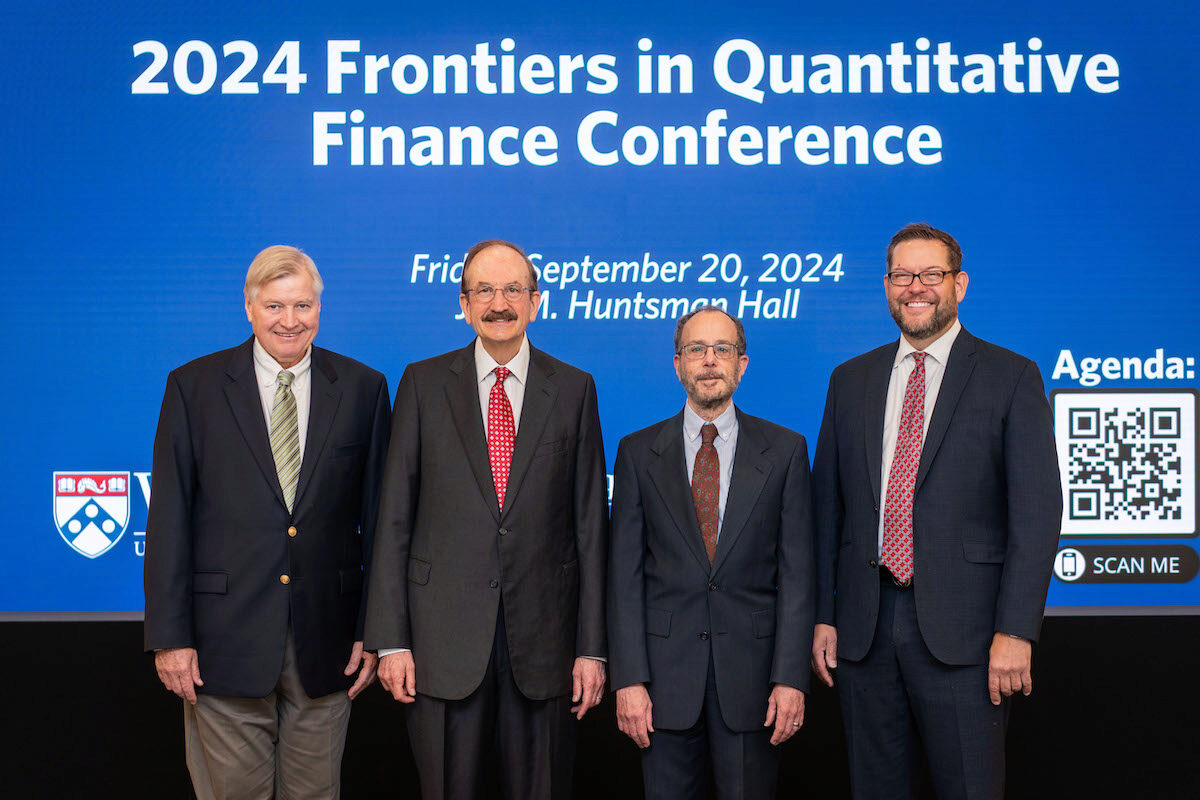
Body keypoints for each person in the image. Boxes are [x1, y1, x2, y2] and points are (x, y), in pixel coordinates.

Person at [811, 223, 1062, 799]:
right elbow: (827, 508)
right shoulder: (850, 380)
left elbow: (1036, 512)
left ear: (960, 284)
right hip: (863, 633)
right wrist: (823, 615)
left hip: (968, 639)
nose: (915, 287)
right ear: (886, 286)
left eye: (932, 274)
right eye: (903, 275)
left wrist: (1015, 631)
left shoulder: (1010, 376)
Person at [144, 245, 391, 799]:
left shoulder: (363, 388)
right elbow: (169, 519)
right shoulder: (194, 387)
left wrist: (374, 631)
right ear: (249, 308)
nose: (290, 320)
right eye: (275, 306)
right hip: (220, 644)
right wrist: (170, 636)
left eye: (303, 305)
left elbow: (381, 523)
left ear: (319, 310)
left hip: (327, 644)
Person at [364, 239, 608, 800]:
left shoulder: (574, 388)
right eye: (485, 291)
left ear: (536, 301)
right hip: (440, 643)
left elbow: (592, 525)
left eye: (513, 290)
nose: (500, 303)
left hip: (545, 643)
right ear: (465, 303)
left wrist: (592, 648)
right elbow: (394, 518)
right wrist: (391, 640)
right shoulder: (422, 384)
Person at [607, 306, 815, 800]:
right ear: (677, 364)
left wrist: (791, 679)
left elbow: (799, 576)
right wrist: (630, 679)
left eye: (722, 349)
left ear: (742, 364)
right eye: (696, 349)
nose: (709, 360)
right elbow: (623, 578)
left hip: (755, 685)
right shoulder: (637, 453)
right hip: (661, 687)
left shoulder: (785, 451)